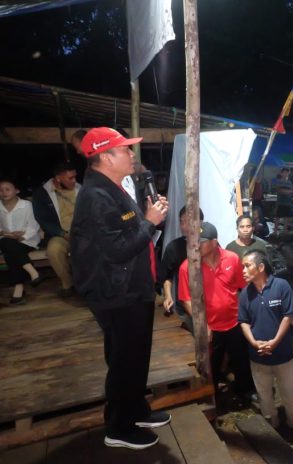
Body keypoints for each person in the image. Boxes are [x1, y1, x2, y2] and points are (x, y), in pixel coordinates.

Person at [71, 127, 170, 449]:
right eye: (125, 149)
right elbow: (117, 250)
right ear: (105, 157)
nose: (131, 154)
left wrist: (149, 216)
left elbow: (127, 230)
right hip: (116, 293)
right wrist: (150, 221)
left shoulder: (112, 188)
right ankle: (119, 427)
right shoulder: (95, 197)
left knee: (136, 355)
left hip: (132, 287)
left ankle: (135, 410)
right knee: (124, 359)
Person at [238, 250, 293, 437]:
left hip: (282, 353)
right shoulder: (245, 293)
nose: (243, 270)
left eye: (247, 266)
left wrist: (275, 341)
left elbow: (288, 315)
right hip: (258, 355)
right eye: (242, 266)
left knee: (290, 391)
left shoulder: (281, 286)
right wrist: (254, 343)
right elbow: (243, 321)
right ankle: (272, 421)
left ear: (261, 267)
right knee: (264, 393)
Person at [178, 222, 255, 399]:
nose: (196, 245)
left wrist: (249, 313)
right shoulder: (188, 267)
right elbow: (186, 299)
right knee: (211, 363)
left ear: (214, 242)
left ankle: (246, 392)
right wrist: (202, 324)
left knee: (241, 359)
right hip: (210, 326)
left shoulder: (232, 259)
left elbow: (244, 287)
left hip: (235, 321)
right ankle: (212, 396)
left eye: (201, 241)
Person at [32, 162, 80, 296]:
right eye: (70, 178)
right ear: (58, 178)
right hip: (60, 235)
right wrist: (62, 233)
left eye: (75, 177)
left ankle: (89, 284)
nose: (74, 180)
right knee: (54, 250)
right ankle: (68, 284)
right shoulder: (42, 194)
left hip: (82, 233)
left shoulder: (80, 189)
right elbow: (43, 219)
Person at [0, 178, 45, 304]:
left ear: (17, 190)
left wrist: (23, 236)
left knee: (9, 249)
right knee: (7, 244)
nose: (4, 192)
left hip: (27, 240)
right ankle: (33, 273)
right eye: (1, 190)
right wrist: (5, 233)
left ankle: (19, 287)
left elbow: (34, 225)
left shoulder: (26, 205)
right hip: (7, 239)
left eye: (7, 189)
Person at [159, 206, 203, 330]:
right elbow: (166, 277)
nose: (183, 226)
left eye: (187, 222)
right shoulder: (173, 247)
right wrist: (168, 296)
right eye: (181, 222)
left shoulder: (208, 244)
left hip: (209, 303)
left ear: (200, 222)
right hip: (185, 305)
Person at [272, 167, 293, 233]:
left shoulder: (290, 182)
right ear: (281, 173)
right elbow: (280, 191)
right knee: (277, 218)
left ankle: (285, 232)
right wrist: (289, 191)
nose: (286, 174)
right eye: (285, 172)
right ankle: (275, 232)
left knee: (286, 218)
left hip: (288, 203)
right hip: (280, 203)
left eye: (287, 173)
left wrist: (288, 191)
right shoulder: (279, 181)